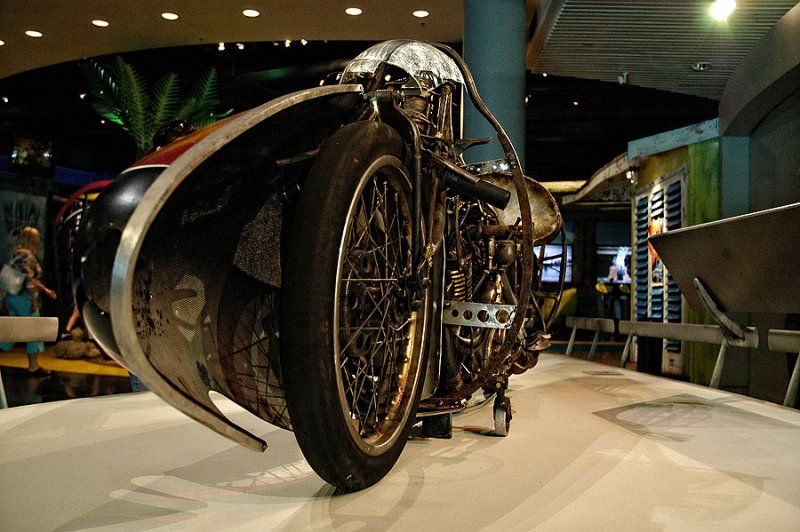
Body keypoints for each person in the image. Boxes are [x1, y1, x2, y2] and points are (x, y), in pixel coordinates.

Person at [0, 226, 57, 374]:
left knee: (12, 330)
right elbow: (30, 281)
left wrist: (45, 290)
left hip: (12, 296)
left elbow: (12, 278)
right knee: (34, 330)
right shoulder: (28, 257)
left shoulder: (16, 255)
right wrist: (33, 300)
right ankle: (34, 366)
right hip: (24, 298)